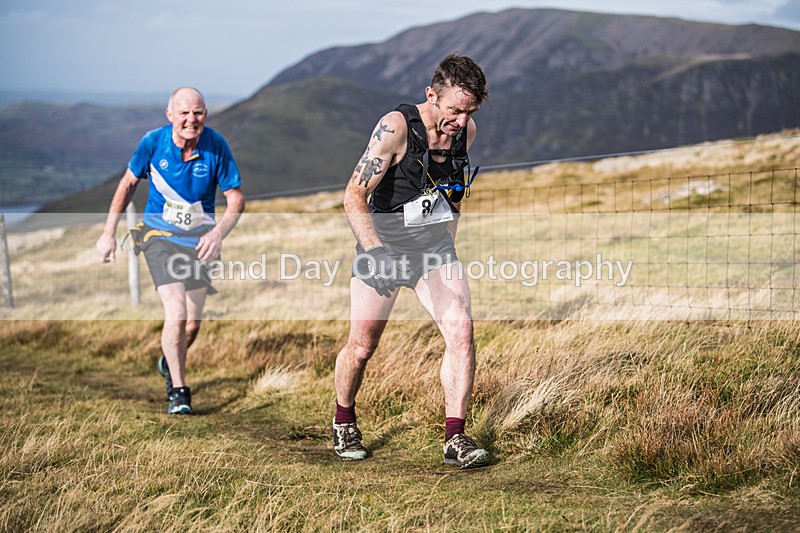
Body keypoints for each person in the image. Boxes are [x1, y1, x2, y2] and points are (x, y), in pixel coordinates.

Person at [332, 53, 491, 468]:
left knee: (462, 330)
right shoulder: (396, 127)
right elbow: (353, 195)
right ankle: (343, 418)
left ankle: (455, 437)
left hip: (433, 249)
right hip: (382, 247)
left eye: (469, 111)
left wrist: (449, 247)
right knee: (362, 347)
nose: (460, 120)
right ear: (431, 95)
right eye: (454, 109)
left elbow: (452, 196)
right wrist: (376, 252)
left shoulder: (465, 131)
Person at [96, 87, 245, 415]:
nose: (191, 120)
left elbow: (236, 197)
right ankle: (179, 390)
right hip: (159, 238)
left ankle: (168, 358)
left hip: (202, 242)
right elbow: (127, 185)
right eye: (184, 113)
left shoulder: (215, 145)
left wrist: (219, 233)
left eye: (198, 112)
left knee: (191, 325)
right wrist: (108, 234)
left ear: (205, 114)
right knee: (176, 314)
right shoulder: (153, 142)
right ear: (170, 115)